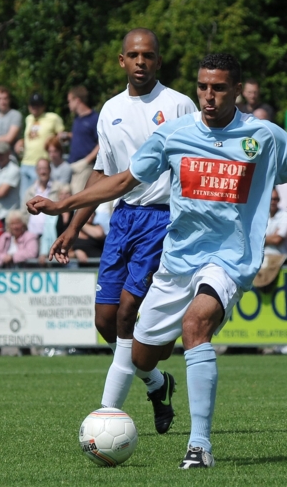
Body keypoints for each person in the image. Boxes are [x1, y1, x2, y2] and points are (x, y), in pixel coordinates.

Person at [28, 52, 287, 468]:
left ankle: (199, 447)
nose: (209, 96)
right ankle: (160, 385)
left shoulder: (264, 137)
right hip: (178, 259)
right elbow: (124, 180)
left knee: (195, 324)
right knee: (143, 355)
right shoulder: (174, 135)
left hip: (230, 259)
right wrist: (64, 205)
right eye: (202, 87)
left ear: (237, 89)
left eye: (218, 88)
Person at [45, 29, 197, 430]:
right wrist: (74, 227)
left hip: (163, 219)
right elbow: (103, 173)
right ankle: (157, 384)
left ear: (158, 61)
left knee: (129, 312)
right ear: (122, 60)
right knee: (104, 320)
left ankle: (105, 416)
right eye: (133, 55)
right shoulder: (110, 109)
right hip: (123, 218)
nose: (141, 62)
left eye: (148, 55)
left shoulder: (179, 105)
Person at [16, 93, 65, 197]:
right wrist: (21, 142)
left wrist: (53, 140)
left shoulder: (52, 118)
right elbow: (31, 137)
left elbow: (62, 136)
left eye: (38, 105)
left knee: (38, 196)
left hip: (41, 164)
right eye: (32, 105)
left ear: (43, 106)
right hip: (25, 162)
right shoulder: (28, 119)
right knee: (24, 197)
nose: (35, 107)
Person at [65, 86, 100, 194]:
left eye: (70, 101)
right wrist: (69, 136)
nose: (69, 104)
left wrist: (87, 161)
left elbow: (101, 143)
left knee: (80, 201)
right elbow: (83, 137)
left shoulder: (94, 118)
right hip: (72, 164)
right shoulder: (77, 119)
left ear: (77, 100)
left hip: (85, 166)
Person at [22, 158, 61, 235]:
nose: (42, 172)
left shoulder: (59, 188)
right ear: (36, 171)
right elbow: (24, 213)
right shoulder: (29, 191)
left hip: (52, 234)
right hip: (32, 233)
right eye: (40, 169)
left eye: (45, 168)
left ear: (50, 170)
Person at [264, 189, 287, 256]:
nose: (273, 202)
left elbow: (277, 240)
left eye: (275, 199)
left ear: (279, 200)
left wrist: (261, 238)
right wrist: (273, 236)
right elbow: (254, 239)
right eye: (270, 199)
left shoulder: (285, 216)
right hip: (263, 257)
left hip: (280, 257)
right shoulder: (261, 216)